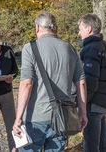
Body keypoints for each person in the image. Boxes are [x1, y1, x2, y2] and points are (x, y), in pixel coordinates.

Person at [13, 12, 87, 152]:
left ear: (37, 28)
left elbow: (26, 84)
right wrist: (82, 113)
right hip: (62, 116)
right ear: (55, 29)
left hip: (35, 117)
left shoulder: (30, 48)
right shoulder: (70, 48)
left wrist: (18, 117)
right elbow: (81, 82)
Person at [78, 14, 106, 152]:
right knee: (102, 143)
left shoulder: (91, 49)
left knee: (91, 145)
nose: (79, 32)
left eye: (80, 29)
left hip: (93, 104)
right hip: (104, 103)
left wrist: (82, 105)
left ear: (88, 29)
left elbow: (89, 80)